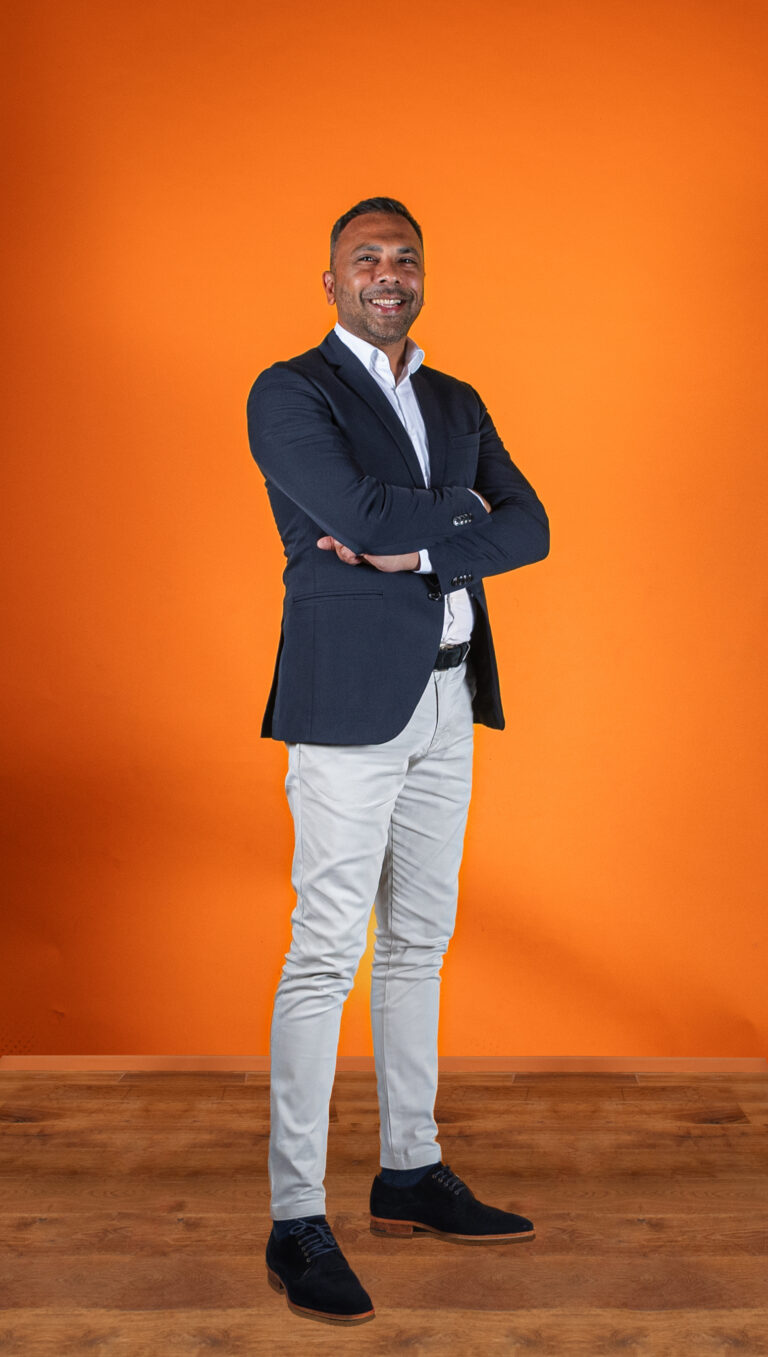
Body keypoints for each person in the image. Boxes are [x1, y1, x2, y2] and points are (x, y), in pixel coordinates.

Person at [246, 197, 549, 1325]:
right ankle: (295, 1218)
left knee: (421, 939)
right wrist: (458, 515)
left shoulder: (455, 398)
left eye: (405, 258)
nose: (388, 272)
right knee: (327, 951)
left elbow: (531, 524)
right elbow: (363, 514)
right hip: (344, 705)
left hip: (448, 699)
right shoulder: (291, 392)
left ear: (422, 277)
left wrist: (417, 538)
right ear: (330, 280)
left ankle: (410, 1171)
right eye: (365, 257)